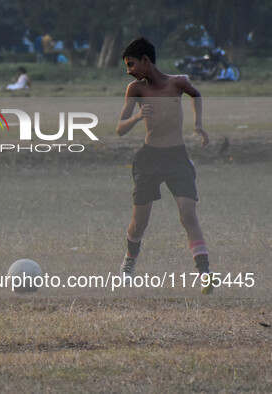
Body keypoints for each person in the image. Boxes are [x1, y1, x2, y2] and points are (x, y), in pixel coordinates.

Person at [116, 37, 214, 294]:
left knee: (188, 213)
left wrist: (199, 123)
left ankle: (205, 273)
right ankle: (129, 261)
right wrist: (137, 116)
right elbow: (119, 129)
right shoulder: (135, 89)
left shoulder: (178, 82)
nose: (129, 70)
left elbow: (196, 94)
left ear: (145, 60)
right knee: (139, 223)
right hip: (149, 159)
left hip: (177, 158)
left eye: (131, 64)